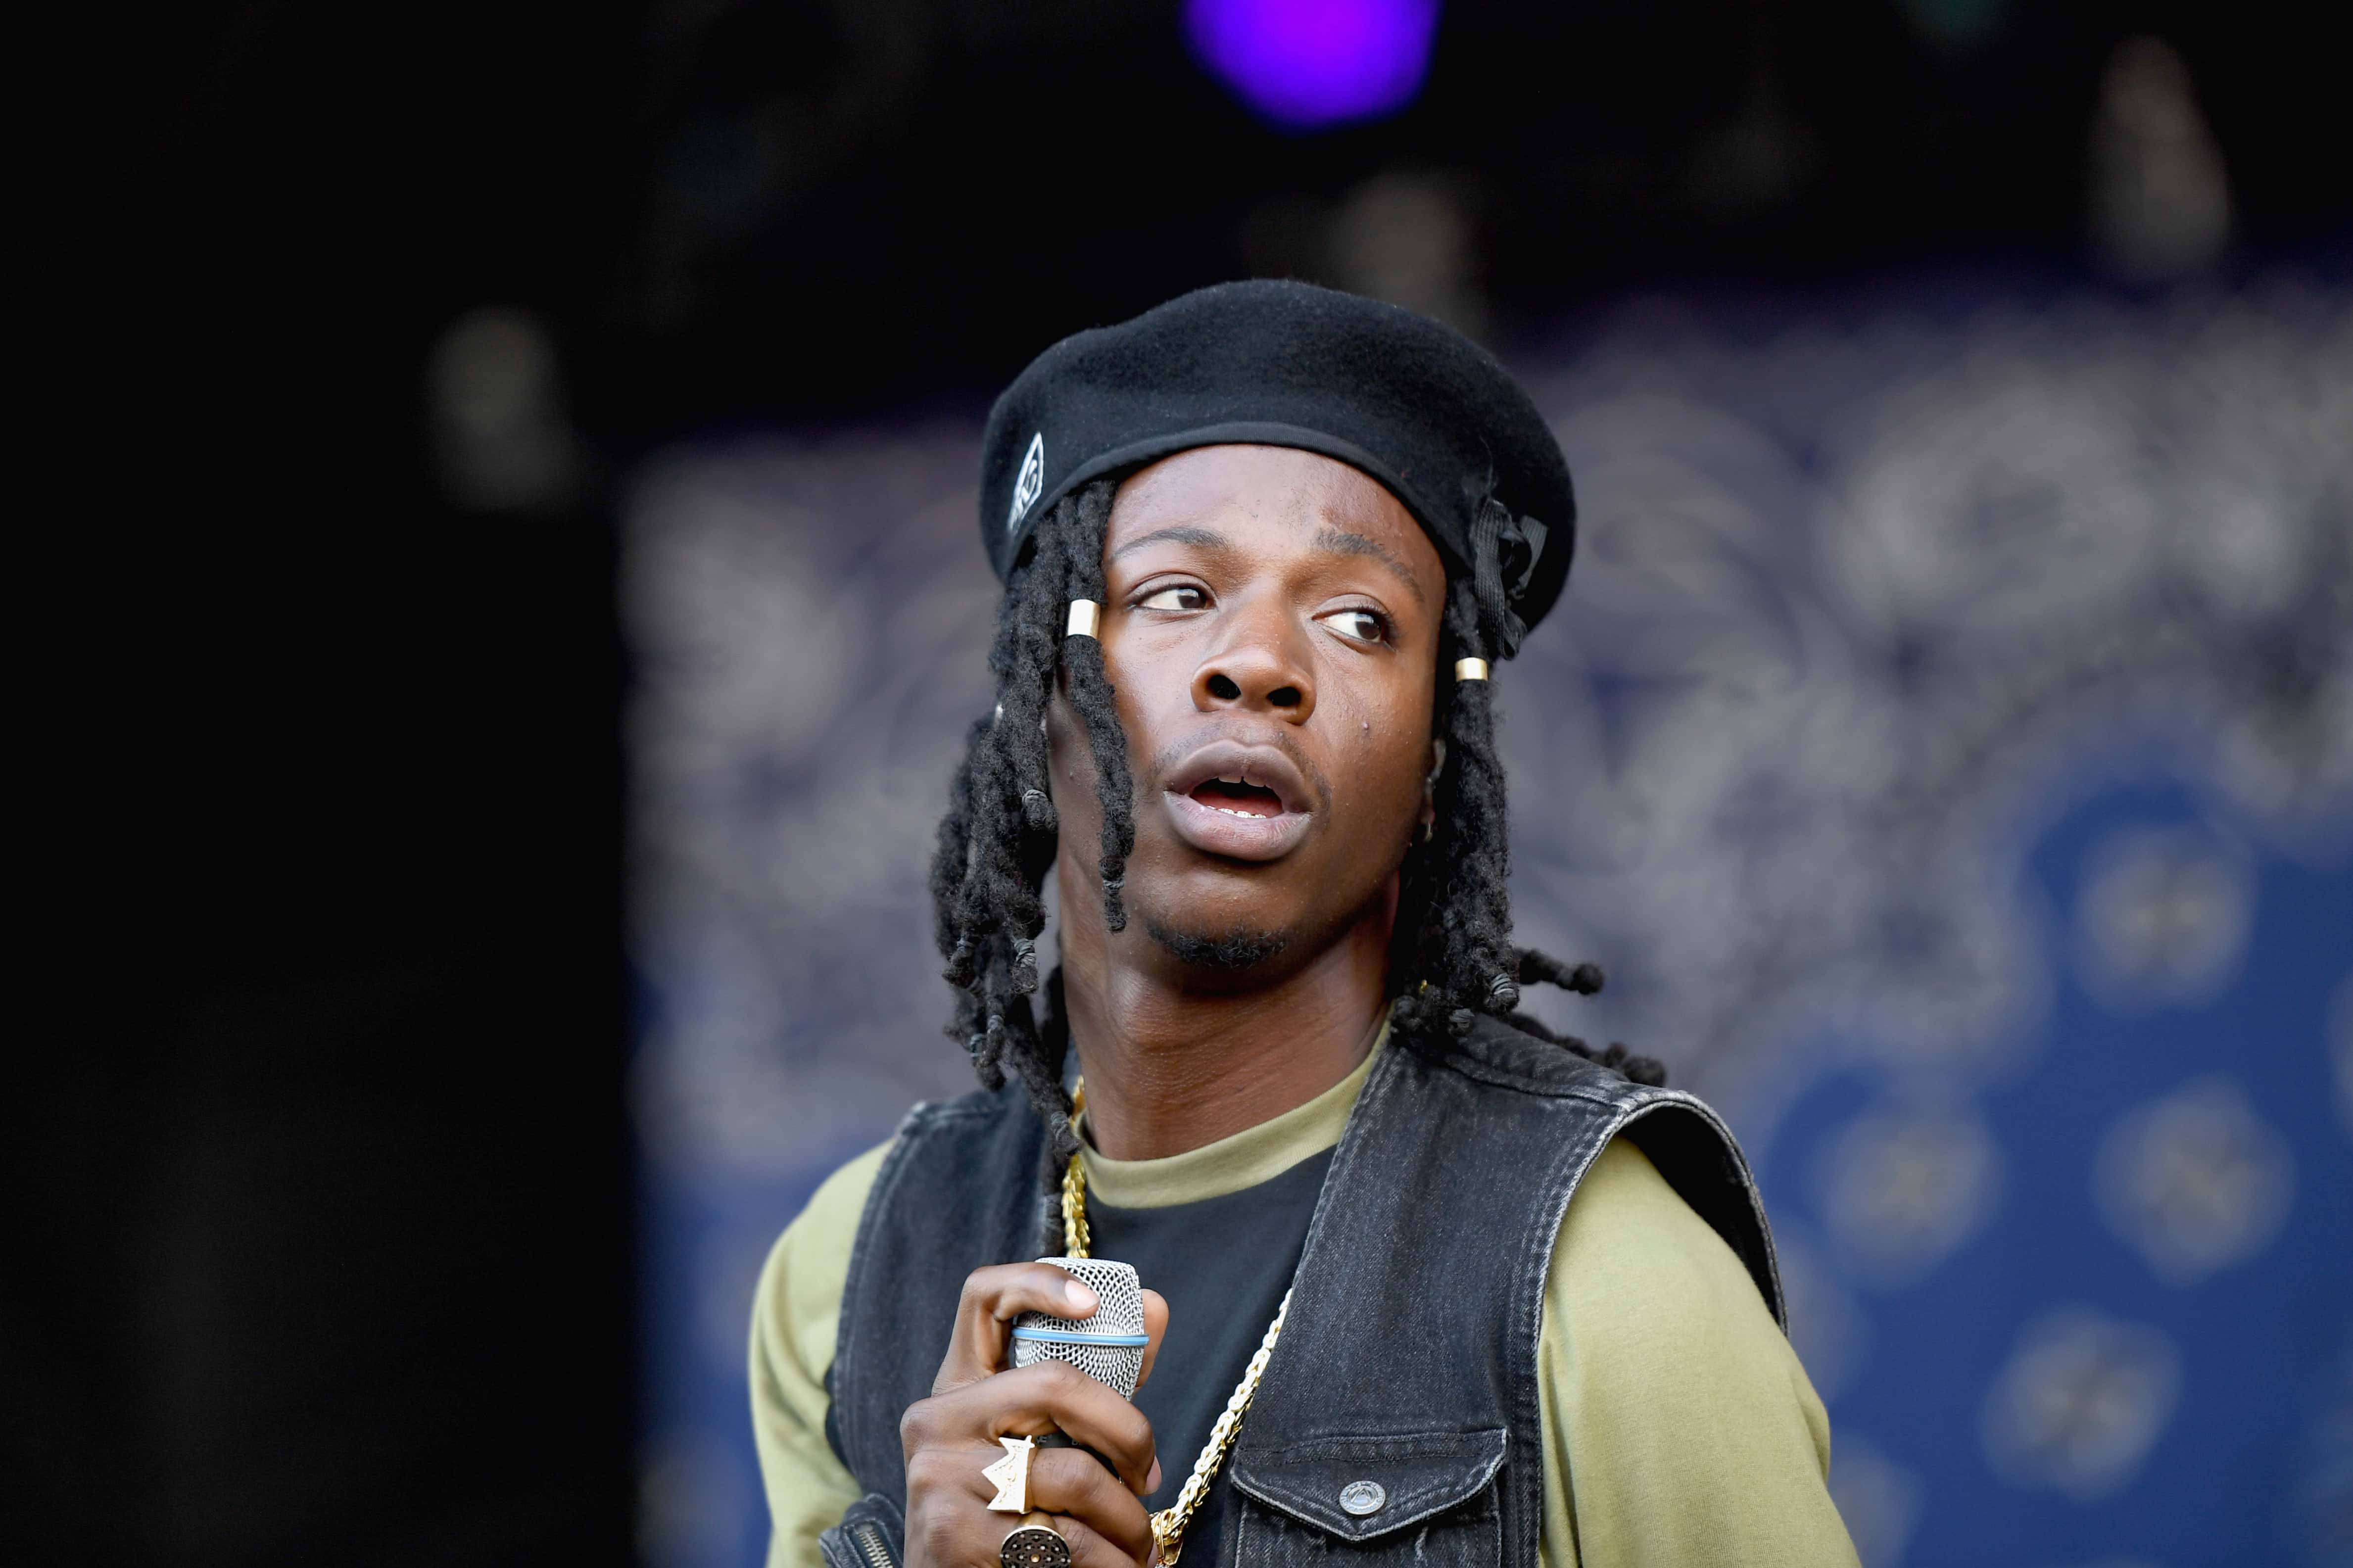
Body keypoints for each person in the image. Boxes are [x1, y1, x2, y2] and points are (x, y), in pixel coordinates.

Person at [750, 281, 1858, 1568]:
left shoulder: (1611, 1282)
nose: (1261, 662)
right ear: (1032, 692)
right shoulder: (849, 1266)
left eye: (1358, 622)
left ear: (1433, 768)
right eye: (1176, 594)